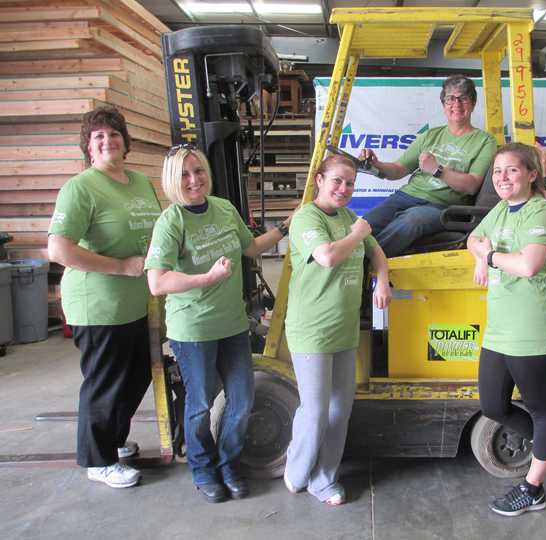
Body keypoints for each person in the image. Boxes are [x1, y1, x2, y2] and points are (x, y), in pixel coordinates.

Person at [145, 146, 290, 503]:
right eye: (184, 174)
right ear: (172, 181)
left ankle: (228, 464)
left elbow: (251, 248)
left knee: (241, 401)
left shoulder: (224, 209)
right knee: (199, 405)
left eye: (198, 171)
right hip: (193, 330)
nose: (194, 180)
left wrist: (287, 226)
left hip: (232, 325)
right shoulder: (171, 221)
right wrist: (207, 279)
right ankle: (202, 468)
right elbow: (157, 282)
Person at [47, 106, 162, 488]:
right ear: (89, 148)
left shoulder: (140, 183)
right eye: (99, 137)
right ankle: (98, 459)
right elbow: (58, 250)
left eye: (114, 134)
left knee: (139, 374)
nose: (108, 141)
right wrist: (118, 267)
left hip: (135, 301)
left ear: (125, 142)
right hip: (97, 304)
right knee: (105, 382)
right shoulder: (81, 188)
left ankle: (112, 440)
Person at [468, 142, 546, 517]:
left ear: (532, 174)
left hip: (530, 329)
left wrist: (488, 257)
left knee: (540, 410)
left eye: (512, 170)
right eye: (498, 172)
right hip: (499, 329)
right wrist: (481, 256)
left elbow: (530, 264)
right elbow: (473, 237)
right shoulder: (501, 210)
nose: (502, 178)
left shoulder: (540, 211)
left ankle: (533, 488)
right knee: (493, 405)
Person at [283, 154, 392, 506]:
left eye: (350, 183)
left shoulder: (348, 217)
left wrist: (382, 281)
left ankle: (324, 479)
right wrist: (358, 233)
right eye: (337, 181)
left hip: (343, 328)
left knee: (339, 409)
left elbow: (376, 253)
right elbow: (328, 257)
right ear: (319, 179)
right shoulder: (306, 218)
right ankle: (296, 470)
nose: (344, 189)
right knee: (314, 410)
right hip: (311, 328)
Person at [359, 75, 497, 257]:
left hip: (443, 206)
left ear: (472, 103)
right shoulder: (430, 135)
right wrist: (375, 164)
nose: (456, 104)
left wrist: (437, 170)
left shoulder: (484, 141)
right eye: (450, 99)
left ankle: (362, 263)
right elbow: (398, 169)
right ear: (443, 104)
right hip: (406, 196)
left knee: (413, 220)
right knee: (365, 225)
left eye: (463, 98)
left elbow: (472, 185)